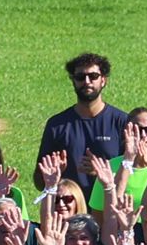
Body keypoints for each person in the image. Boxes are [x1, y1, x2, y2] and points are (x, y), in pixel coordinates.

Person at [35, 52, 127, 198]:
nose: (87, 81)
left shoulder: (122, 122)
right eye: (80, 77)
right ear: (73, 81)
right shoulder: (57, 125)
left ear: (103, 80)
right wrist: (53, 175)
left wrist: (101, 172)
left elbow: (135, 174)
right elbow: (39, 182)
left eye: (93, 76)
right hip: (69, 212)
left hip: (109, 210)